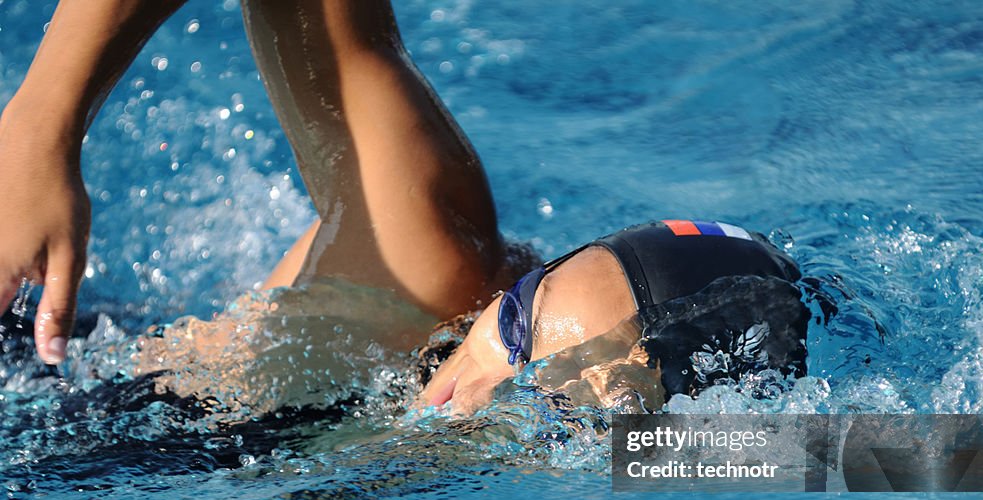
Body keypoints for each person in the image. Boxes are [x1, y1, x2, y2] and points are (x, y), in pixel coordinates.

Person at [0, 0, 808, 416]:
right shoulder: (428, 261)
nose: (493, 396)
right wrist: (41, 125)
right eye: (519, 337)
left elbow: (903, 457)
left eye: (560, 405)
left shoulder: (577, 445)